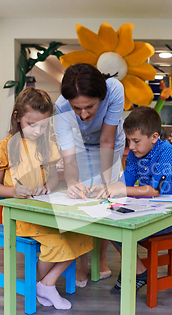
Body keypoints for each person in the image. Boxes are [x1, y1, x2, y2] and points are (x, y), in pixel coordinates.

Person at [0, 87, 93, 310]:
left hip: (43, 212)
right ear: (17, 117)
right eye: (32, 124)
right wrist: (14, 191)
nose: (37, 130)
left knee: (81, 235)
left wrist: (46, 186)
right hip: (19, 218)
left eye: (43, 126)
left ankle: (43, 284)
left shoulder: (46, 146)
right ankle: (45, 285)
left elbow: (53, 178)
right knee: (60, 242)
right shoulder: (4, 148)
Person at [93, 106, 172, 294]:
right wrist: (107, 189)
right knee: (111, 225)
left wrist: (122, 189)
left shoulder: (166, 152)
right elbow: (125, 181)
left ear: (154, 137)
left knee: (123, 230)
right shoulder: (137, 154)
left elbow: (154, 190)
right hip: (148, 209)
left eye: (136, 141)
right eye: (129, 141)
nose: (131, 146)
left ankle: (135, 271)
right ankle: (140, 270)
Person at [54, 63, 126, 286]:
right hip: (80, 145)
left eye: (89, 107)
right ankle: (81, 261)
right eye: (77, 108)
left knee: (106, 200)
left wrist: (107, 184)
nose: (84, 114)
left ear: (101, 97)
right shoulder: (60, 107)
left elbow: (106, 139)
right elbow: (69, 157)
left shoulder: (113, 90)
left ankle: (101, 259)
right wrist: (72, 181)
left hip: (109, 144)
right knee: (81, 198)